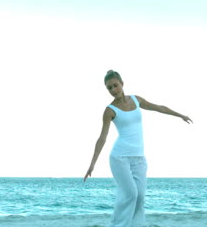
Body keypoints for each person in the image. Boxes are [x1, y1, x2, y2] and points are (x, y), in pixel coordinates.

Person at [83, 70, 193, 227]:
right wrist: (92, 163)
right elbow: (102, 138)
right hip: (119, 157)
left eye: (115, 85)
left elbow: (158, 107)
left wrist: (180, 115)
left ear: (122, 83)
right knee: (130, 194)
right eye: (109, 88)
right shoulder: (109, 110)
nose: (113, 90)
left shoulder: (136, 100)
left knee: (140, 196)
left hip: (139, 158)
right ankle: (117, 225)